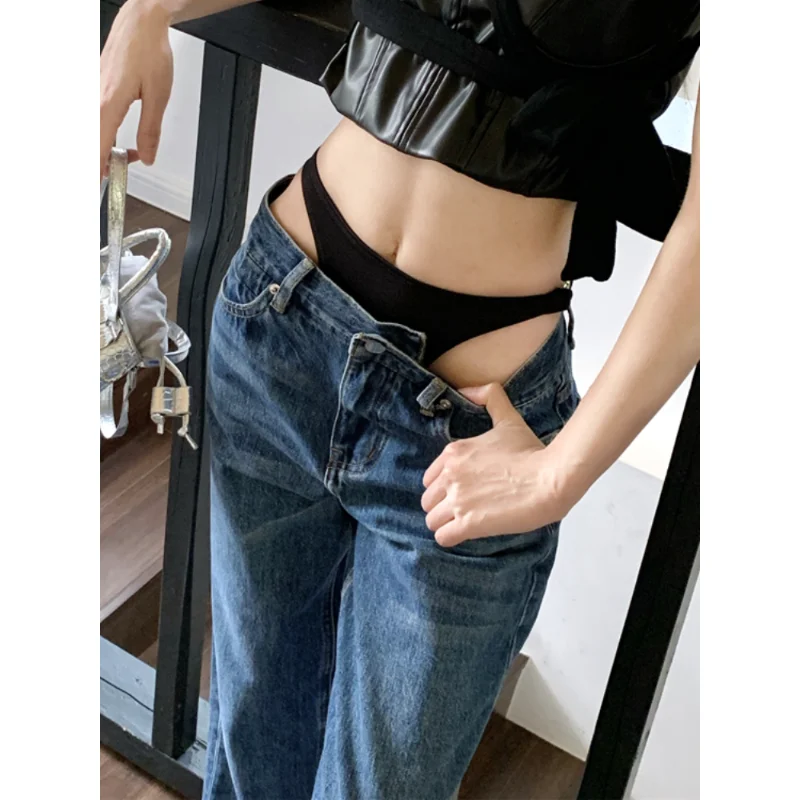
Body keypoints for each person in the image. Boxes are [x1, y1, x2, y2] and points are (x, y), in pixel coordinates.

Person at [100, 1, 700, 798]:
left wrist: (561, 472)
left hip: (472, 429)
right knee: (250, 757)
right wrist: (149, 10)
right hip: (284, 315)